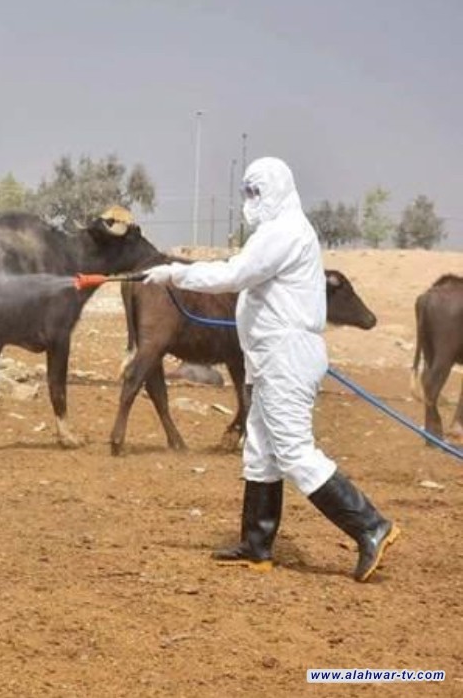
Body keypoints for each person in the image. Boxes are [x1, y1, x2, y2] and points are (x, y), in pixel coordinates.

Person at [142, 156, 399, 582]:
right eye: (248, 192)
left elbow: (237, 273)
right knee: (260, 450)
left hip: (287, 356)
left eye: (257, 191)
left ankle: (371, 525)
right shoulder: (276, 232)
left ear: (278, 189)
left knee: (295, 450)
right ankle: (256, 545)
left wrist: (174, 273)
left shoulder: (285, 232)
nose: (251, 200)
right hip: (269, 357)